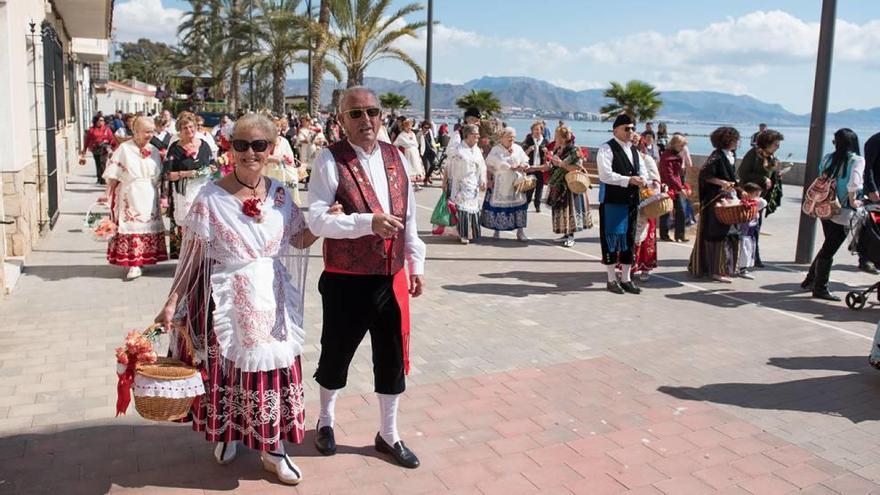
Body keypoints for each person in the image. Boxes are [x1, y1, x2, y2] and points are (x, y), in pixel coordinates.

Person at [156, 113, 325, 486]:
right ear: (229, 149)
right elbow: (193, 255)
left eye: (259, 145)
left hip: (271, 295)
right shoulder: (210, 197)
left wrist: (330, 224)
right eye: (242, 145)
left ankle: (273, 448)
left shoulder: (280, 194)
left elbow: (298, 237)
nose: (250, 152)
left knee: (271, 371)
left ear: (271, 148)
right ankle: (227, 434)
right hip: (223, 296)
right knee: (227, 374)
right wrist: (172, 302)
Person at [308, 86, 426, 469]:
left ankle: (388, 434)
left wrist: (416, 264)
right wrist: (365, 223)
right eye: (355, 114)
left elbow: (409, 218)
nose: (365, 120)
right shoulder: (330, 160)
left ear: (382, 115)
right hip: (346, 278)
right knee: (336, 353)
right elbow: (317, 219)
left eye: (372, 112)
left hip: (390, 276)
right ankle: (326, 421)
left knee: (391, 358)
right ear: (340, 120)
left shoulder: (397, 158)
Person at [800, 129, 866, 301]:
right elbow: (854, 184)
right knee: (830, 248)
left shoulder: (828, 158)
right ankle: (820, 287)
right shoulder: (856, 160)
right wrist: (854, 202)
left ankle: (811, 279)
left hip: (825, 206)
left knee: (828, 243)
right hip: (842, 209)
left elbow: (821, 177)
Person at [102, 115, 167, 280]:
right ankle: (134, 264)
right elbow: (113, 175)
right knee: (131, 226)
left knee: (147, 225)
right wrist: (106, 195)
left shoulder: (153, 150)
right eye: (146, 132)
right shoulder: (124, 149)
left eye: (152, 131)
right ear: (136, 132)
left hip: (149, 193)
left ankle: (142, 259)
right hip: (130, 194)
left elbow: (159, 174)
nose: (150, 135)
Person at [596, 114, 647, 294]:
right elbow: (605, 175)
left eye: (632, 128)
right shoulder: (606, 148)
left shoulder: (634, 150)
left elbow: (643, 171)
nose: (631, 132)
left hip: (632, 201)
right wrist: (628, 180)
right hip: (613, 201)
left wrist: (643, 180)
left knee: (629, 238)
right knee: (611, 239)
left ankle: (625, 278)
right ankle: (611, 279)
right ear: (616, 129)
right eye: (627, 128)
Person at [688, 127, 742, 283]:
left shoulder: (731, 155)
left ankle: (727, 267)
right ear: (728, 140)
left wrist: (739, 189)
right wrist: (722, 182)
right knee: (716, 234)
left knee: (729, 233)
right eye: (735, 139)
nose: (738, 142)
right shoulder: (716, 156)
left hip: (729, 199)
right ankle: (715, 270)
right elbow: (705, 175)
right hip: (716, 201)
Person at [163, 113, 215, 258]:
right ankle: (188, 257)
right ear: (179, 130)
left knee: (204, 224)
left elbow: (212, 166)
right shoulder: (175, 148)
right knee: (187, 226)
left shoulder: (204, 145)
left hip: (203, 190)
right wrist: (186, 174)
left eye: (191, 126)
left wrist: (209, 170)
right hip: (183, 191)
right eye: (185, 128)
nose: (189, 130)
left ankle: (203, 256)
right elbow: (167, 174)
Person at [736, 129, 785, 268]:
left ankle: (753, 257)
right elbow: (743, 173)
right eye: (775, 144)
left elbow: (769, 174)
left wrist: (777, 175)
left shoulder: (770, 157)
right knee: (748, 228)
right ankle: (747, 258)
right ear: (767, 143)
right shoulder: (754, 154)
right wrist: (763, 178)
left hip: (760, 197)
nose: (777, 147)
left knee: (755, 227)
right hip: (749, 196)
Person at [481, 127, 530, 241]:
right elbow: (488, 166)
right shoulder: (495, 150)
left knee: (520, 206)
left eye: (513, 137)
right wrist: (489, 180)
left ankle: (520, 232)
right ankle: (496, 231)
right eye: (509, 136)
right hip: (500, 182)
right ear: (502, 137)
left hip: (516, 182)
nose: (511, 139)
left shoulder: (518, 148)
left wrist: (524, 165)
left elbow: (525, 161)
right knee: (498, 206)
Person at [546, 126, 590, 248]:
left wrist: (560, 163)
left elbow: (577, 167)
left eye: (558, 136)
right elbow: (554, 165)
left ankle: (571, 236)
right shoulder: (559, 149)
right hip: (559, 183)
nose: (556, 139)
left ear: (563, 137)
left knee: (570, 209)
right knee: (561, 209)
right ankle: (565, 234)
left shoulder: (574, 150)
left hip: (570, 184)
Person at [446, 124, 487, 244]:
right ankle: (462, 233)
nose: (477, 137)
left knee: (473, 208)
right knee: (462, 209)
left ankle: (471, 232)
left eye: (478, 135)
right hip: (460, 182)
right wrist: (446, 181)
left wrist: (483, 180)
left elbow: (482, 166)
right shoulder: (458, 149)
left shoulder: (477, 151)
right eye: (475, 134)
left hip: (473, 182)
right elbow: (448, 165)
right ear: (468, 135)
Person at [631, 133, 662, 281]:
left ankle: (645, 267)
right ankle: (629, 266)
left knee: (646, 236)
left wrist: (646, 187)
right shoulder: (626, 160)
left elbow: (656, 181)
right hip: (630, 203)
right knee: (630, 235)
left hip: (646, 204)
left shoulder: (647, 159)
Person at [658, 134, 689, 242]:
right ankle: (664, 234)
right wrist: (680, 188)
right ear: (675, 144)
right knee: (666, 211)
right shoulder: (666, 157)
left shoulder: (676, 156)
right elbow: (669, 175)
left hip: (676, 186)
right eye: (681, 145)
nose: (682, 148)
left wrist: (681, 186)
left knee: (680, 211)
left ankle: (680, 235)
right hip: (667, 187)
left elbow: (677, 175)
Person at [736, 182, 768, 279]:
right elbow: (762, 202)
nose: (758, 197)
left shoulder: (754, 203)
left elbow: (763, 202)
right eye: (756, 194)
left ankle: (743, 268)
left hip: (751, 231)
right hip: (744, 231)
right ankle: (742, 269)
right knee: (744, 250)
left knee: (749, 249)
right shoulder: (743, 203)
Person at [265, 118, 300, 202]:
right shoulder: (265, 142)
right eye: (275, 126)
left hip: (282, 175)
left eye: (279, 126)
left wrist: (288, 160)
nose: (278, 128)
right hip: (268, 174)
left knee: (282, 199)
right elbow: (261, 158)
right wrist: (274, 159)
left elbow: (290, 158)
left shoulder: (284, 141)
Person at [860, 131, 880, 274]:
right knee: (871, 227)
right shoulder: (875, 140)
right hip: (876, 192)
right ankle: (865, 259)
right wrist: (872, 189)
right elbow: (867, 167)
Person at [80, 115, 115, 185]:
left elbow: (111, 138)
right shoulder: (91, 130)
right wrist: (84, 150)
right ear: (96, 121)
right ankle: (99, 178)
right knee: (98, 164)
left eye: (102, 120)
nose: (101, 122)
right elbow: (87, 140)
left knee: (103, 163)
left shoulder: (107, 129)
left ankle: (103, 179)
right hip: (95, 149)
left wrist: (112, 147)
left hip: (104, 149)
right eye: (100, 120)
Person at [522, 121, 549, 213]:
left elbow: (549, 156)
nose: (537, 131)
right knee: (529, 187)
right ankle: (526, 203)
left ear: (542, 130)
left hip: (540, 168)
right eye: (535, 129)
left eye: (539, 129)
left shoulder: (545, 141)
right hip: (530, 167)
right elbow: (522, 154)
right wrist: (529, 149)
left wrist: (546, 152)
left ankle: (537, 205)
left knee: (539, 188)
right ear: (532, 131)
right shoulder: (528, 140)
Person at [393, 118, 425, 187]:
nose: (409, 128)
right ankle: (410, 183)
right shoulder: (401, 135)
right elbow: (396, 144)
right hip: (408, 153)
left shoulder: (413, 134)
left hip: (415, 153)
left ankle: (416, 183)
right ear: (405, 127)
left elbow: (416, 143)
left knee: (417, 167)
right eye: (408, 127)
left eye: (410, 127)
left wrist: (417, 151)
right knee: (409, 167)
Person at [419, 120, 439, 186]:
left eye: (428, 127)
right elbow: (416, 142)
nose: (426, 129)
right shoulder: (420, 133)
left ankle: (427, 177)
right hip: (423, 151)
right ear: (422, 127)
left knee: (433, 164)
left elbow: (432, 140)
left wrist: (435, 148)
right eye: (425, 127)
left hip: (430, 150)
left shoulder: (429, 132)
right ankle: (426, 180)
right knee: (425, 167)